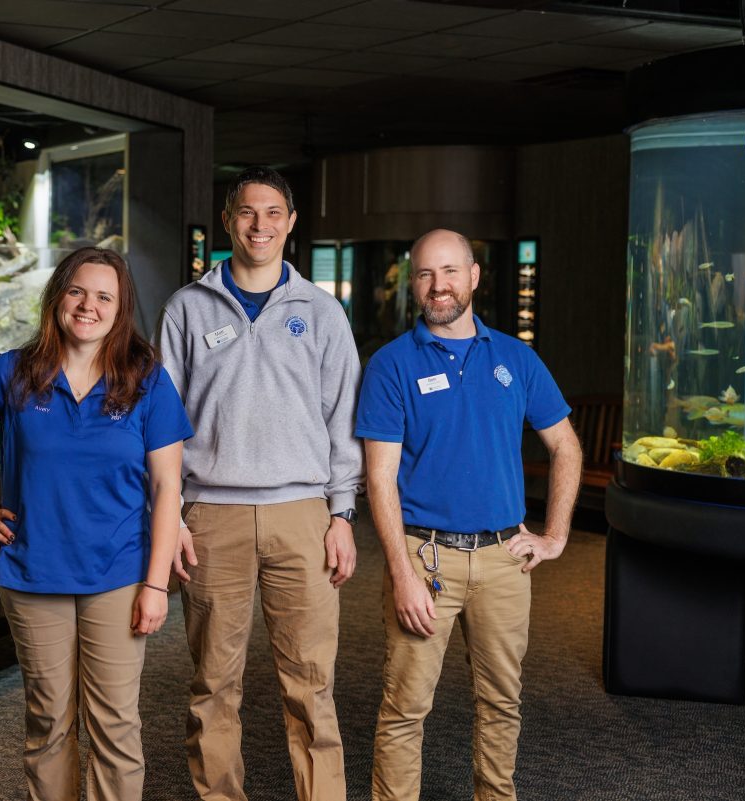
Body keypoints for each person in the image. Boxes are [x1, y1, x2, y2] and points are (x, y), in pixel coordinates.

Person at [0, 247, 193, 801]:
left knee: (115, 725)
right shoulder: (14, 372)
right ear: (57, 297)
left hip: (118, 574)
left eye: (104, 297)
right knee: (49, 723)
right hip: (32, 573)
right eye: (77, 291)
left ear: (121, 309)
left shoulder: (146, 380)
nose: (88, 306)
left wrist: (157, 583)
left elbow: (169, 488)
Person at [157, 166, 363, 801]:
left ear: (291, 222)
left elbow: (344, 417)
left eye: (273, 213)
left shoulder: (323, 312)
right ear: (228, 221)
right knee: (213, 684)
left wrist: (342, 514)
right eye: (247, 213)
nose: (260, 225)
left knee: (311, 682)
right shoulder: (187, 307)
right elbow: (162, 422)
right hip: (210, 515)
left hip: (302, 512)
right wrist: (169, 523)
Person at [356, 229, 582, 801]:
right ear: (414, 283)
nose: (440, 285)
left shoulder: (516, 357)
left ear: (474, 277)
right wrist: (401, 573)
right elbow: (379, 477)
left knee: (503, 700)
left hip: (506, 560)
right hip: (424, 558)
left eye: (451, 271)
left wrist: (554, 536)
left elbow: (567, 447)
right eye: (428, 274)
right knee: (406, 707)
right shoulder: (391, 366)